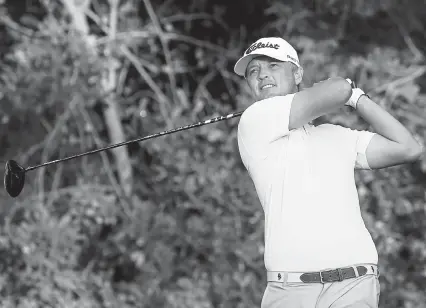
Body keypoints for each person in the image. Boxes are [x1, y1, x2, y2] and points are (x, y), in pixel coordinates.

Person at [233, 37, 423, 308]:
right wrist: (345, 88)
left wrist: (357, 98)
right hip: (290, 290)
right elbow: (337, 89)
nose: (262, 74)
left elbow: (408, 148)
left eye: (273, 66)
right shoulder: (254, 121)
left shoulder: (337, 136)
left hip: (354, 285)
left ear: (297, 73)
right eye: (253, 71)